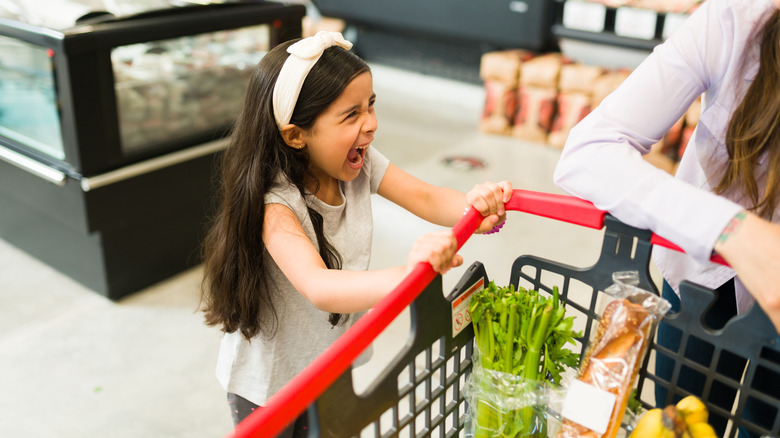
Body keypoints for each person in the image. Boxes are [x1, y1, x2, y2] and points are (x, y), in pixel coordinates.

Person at [198, 31, 513, 436]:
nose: (371, 124)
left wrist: (476, 207)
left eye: (371, 106)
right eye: (351, 115)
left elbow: (426, 196)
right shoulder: (274, 205)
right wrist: (410, 274)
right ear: (296, 135)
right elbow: (319, 286)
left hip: (330, 365)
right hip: (270, 386)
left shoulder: (359, 166)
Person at [554, 0, 780, 436]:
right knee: (682, 418)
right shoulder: (735, 19)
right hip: (704, 279)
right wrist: (730, 228)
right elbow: (588, 152)